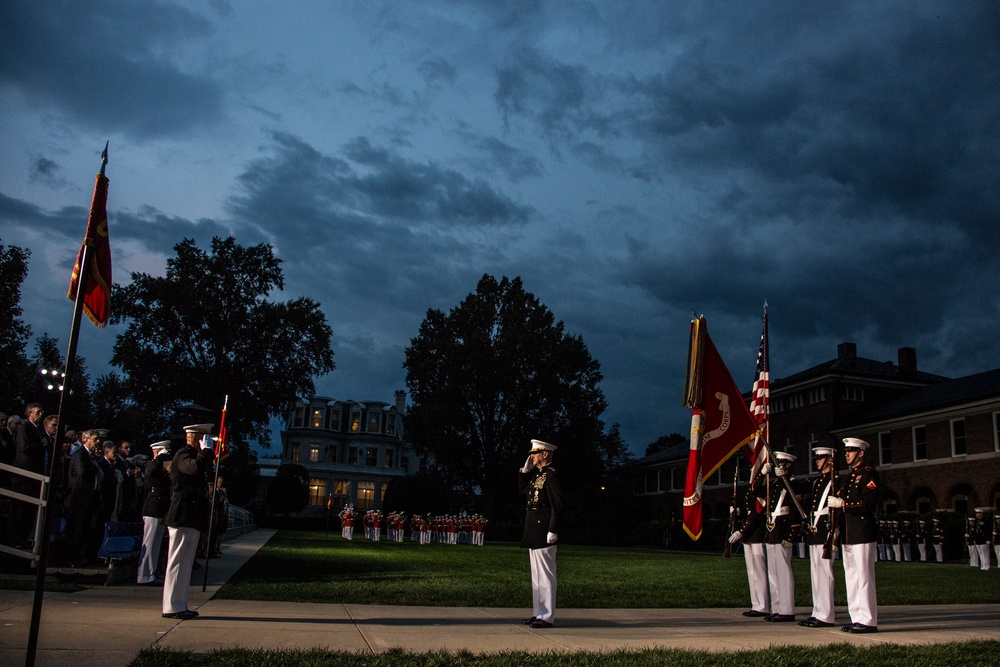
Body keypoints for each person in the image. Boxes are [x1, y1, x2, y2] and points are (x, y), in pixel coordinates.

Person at [162, 424, 215, 620]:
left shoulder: (193, 455)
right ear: (194, 437)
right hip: (182, 514)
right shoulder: (183, 454)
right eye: (204, 437)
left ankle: (179, 604)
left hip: (191, 514)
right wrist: (208, 451)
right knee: (177, 561)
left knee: (185, 563)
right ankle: (171, 605)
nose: (206, 442)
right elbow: (195, 468)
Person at [827, 437, 879, 634]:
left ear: (861, 453)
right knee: (851, 577)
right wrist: (837, 529)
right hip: (849, 534)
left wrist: (842, 504)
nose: (847, 454)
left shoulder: (868, 475)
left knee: (864, 577)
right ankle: (856, 617)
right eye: (846, 451)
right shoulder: (848, 477)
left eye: (850, 451)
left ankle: (868, 620)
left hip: (863, 532)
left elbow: (867, 505)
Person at [519, 438, 562, 629]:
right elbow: (522, 491)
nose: (532, 456)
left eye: (535, 453)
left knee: (545, 574)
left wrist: (553, 528)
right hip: (534, 529)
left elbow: (557, 505)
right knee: (536, 575)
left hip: (544, 529)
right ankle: (538, 612)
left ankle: (546, 616)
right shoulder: (538, 475)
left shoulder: (551, 475)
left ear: (545, 454)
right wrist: (524, 471)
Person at [799, 446, 837, 628]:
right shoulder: (817, 482)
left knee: (825, 573)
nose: (817, 461)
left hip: (825, 531)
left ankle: (826, 614)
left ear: (830, 460)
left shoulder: (836, 481)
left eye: (820, 458)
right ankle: (818, 611)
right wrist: (782, 476)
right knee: (816, 574)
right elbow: (796, 487)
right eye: (817, 458)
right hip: (815, 531)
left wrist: (834, 533)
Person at [762, 451, 802, 622]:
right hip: (772, 530)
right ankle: (777, 607)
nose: (777, 465)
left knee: (783, 571)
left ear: (788, 465)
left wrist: (791, 535)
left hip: (783, 529)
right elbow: (756, 490)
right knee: (773, 572)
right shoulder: (776, 483)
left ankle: (787, 609)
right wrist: (762, 474)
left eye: (780, 463)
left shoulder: (793, 483)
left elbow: (795, 509)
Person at [728, 470, 770, 618]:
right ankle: (756, 604)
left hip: (758, 532)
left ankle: (763, 605)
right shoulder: (751, 488)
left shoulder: (765, 487)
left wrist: (741, 530)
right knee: (752, 571)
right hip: (749, 534)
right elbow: (750, 508)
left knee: (759, 571)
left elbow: (757, 512)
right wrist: (738, 512)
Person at [138, 441, 171, 585]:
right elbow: (150, 471)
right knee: (149, 543)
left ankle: (151, 573)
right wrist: (159, 458)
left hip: (160, 509)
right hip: (153, 508)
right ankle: (144, 575)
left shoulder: (160, 471)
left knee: (156, 543)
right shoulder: (151, 465)